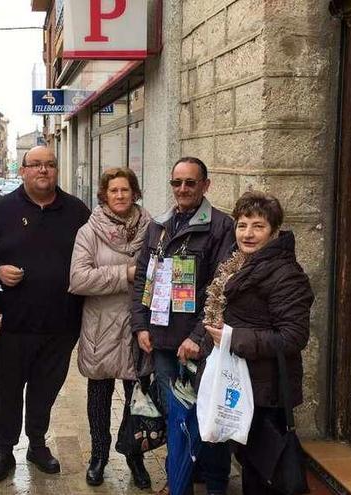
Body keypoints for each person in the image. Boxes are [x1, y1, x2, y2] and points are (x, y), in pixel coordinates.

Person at [0, 146, 91, 482]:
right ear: (23, 170)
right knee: (9, 390)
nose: (43, 170)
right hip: (12, 325)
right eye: (36, 165)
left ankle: (37, 444)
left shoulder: (77, 211)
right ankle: (4, 449)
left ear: (56, 170)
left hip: (61, 324)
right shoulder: (1, 210)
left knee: (46, 389)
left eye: (50, 165)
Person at [130, 156, 235, 494]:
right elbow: (142, 281)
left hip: (198, 347)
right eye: (177, 183)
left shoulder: (221, 227)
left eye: (191, 182)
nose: (183, 189)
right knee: (175, 418)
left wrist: (197, 336)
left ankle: (216, 484)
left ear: (205, 185)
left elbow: (221, 290)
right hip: (161, 341)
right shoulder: (158, 226)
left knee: (207, 417)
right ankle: (180, 484)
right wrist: (140, 326)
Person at [203, 191, 314, 494]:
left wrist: (233, 337)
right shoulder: (239, 264)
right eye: (242, 225)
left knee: (266, 475)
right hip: (243, 384)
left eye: (258, 226)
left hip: (268, 392)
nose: (248, 233)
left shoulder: (286, 275)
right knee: (252, 467)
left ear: (274, 231)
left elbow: (293, 337)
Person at [69, 167, 152, 488]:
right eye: (114, 191)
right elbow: (78, 279)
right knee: (99, 396)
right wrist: (125, 275)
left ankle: (135, 455)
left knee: (138, 399)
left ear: (135, 193)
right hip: (101, 326)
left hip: (138, 325)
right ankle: (99, 456)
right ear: (104, 195)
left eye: (125, 190)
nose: (120, 196)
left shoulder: (153, 229)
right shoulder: (88, 232)